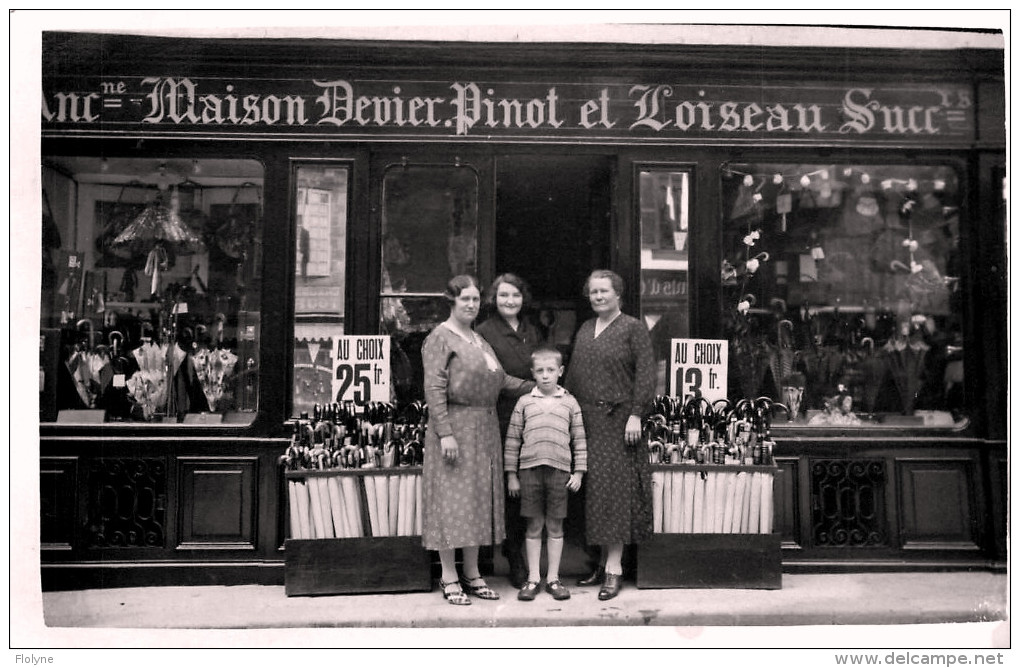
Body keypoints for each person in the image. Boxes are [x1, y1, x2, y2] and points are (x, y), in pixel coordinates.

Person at [420, 275, 533, 606]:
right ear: (451, 302)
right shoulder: (440, 338)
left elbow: (501, 379)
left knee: (476, 503)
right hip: (455, 427)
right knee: (451, 501)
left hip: (484, 430)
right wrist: (445, 435)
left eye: (474, 300)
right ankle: (449, 576)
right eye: (464, 299)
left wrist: (539, 386)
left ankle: (472, 573)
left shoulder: (478, 339)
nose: (470, 305)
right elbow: (434, 389)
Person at [564, 269, 655, 601]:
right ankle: (601, 562)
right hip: (587, 423)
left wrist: (636, 415)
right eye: (593, 292)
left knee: (614, 495)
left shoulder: (633, 328)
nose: (598, 297)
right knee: (594, 496)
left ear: (618, 294)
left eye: (604, 291)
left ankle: (615, 568)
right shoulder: (586, 329)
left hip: (619, 424)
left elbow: (646, 375)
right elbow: (574, 375)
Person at [475, 272, 543, 588]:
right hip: (504, 417)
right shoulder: (484, 333)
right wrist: (537, 387)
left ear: (522, 298)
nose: (509, 301)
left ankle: (538, 559)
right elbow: (494, 377)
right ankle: (514, 559)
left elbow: (550, 363)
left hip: (538, 419)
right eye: (503, 296)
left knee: (533, 487)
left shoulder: (534, 330)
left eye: (515, 295)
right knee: (511, 491)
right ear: (494, 299)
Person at [504, 345, 587, 601]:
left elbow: (580, 439)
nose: (546, 375)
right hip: (529, 471)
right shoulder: (525, 402)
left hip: (560, 472)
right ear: (533, 373)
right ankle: (532, 578)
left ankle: (553, 578)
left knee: (554, 525)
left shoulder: (570, 402)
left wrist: (579, 472)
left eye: (551, 370)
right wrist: (511, 474)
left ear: (560, 371)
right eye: (540, 371)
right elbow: (513, 439)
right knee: (533, 524)